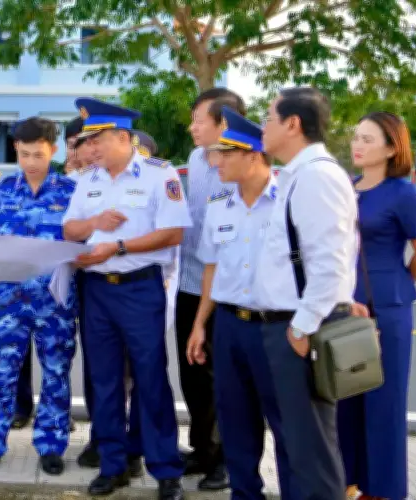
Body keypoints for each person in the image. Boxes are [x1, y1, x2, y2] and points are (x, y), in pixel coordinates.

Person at [63, 98, 190, 500]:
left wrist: (117, 246)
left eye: (96, 139)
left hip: (139, 289)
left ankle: (165, 470)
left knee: (151, 379)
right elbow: (69, 229)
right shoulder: (89, 179)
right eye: (87, 141)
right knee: (104, 381)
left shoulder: (159, 174)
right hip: (96, 290)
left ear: (122, 137)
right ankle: (112, 465)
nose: (89, 148)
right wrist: (94, 224)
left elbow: (173, 233)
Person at [186, 106, 294, 499]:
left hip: (278, 326)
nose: (216, 162)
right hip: (230, 325)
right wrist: (200, 324)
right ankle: (245, 493)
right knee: (235, 420)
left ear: (252, 155)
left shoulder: (289, 200)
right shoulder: (219, 204)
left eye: (225, 154)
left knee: (287, 424)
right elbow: (211, 269)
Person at [255, 86, 358, 498]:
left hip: (303, 328)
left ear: (293, 124)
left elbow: (331, 264)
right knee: (300, 446)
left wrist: (302, 327)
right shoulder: (299, 174)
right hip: (292, 325)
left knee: (312, 449)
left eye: (268, 118)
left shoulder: (317, 176)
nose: (263, 128)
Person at [0, 117, 77, 476]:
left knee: (56, 374)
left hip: (54, 302)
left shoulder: (70, 191)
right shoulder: (2, 190)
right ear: (16, 148)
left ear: (53, 150)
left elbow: (81, 243)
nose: (31, 162)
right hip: (9, 300)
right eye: (25, 154)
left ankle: (51, 445)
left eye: (39, 155)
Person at [339, 112, 416, 500]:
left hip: (387, 310)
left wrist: (397, 283)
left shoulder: (402, 193)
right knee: (343, 401)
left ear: (392, 148)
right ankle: (346, 482)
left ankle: (382, 491)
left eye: (368, 139)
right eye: (356, 137)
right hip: (343, 307)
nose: (357, 145)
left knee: (384, 403)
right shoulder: (346, 188)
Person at [175, 88, 244, 491]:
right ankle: (201, 449)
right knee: (193, 374)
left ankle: (225, 460)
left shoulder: (244, 164)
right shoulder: (195, 160)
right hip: (189, 282)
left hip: (225, 289)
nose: (192, 127)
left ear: (224, 123)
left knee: (224, 380)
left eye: (199, 120)